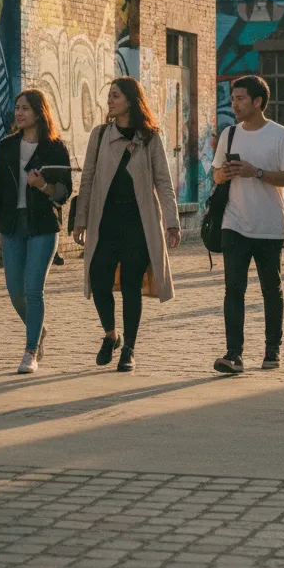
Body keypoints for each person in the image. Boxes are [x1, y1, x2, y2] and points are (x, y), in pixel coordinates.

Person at [74, 77, 181, 372]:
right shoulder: (99, 135)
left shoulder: (149, 137)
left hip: (139, 223)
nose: (110, 101)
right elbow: (87, 179)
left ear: (131, 101)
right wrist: (80, 220)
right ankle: (111, 335)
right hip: (104, 222)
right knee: (99, 278)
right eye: (109, 95)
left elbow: (163, 181)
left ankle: (129, 349)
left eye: (115, 96)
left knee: (132, 285)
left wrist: (172, 222)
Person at [211, 75, 284, 374]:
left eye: (240, 99)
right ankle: (233, 354)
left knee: (270, 289)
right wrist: (224, 174)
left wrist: (256, 172)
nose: (234, 104)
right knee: (233, 290)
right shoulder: (229, 134)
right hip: (233, 222)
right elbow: (215, 175)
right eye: (233, 99)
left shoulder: (280, 135)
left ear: (258, 101)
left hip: (269, 224)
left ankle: (272, 349)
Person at [0, 90, 73, 374]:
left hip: (43, 226)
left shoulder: (55, 147)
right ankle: (39, 329)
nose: (19, 113)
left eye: (25, 108)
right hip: (12, 225)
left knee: (34, 290)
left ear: (39, 112)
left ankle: (30, 351)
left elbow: (64, 193)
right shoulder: (7, 145)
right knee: (15, 292)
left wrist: (43, 186)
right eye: (17, 108)